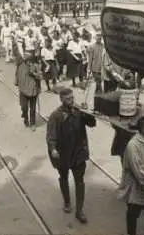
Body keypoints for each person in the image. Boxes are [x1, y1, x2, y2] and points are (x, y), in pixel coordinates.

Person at [46, 88, 96, 224]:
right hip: (63, 154)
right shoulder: (55, 116)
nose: (72, 101)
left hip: (78, 152)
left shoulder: (78, 111)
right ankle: (67, 201)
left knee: (80, 182)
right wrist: (53, 149)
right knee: (63, 177)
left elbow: (92, 123)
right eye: (68, 99)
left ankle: (80, 211)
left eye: (72, 98)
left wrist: (87, 112)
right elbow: (51, 135)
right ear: (61, 99)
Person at [15, 51, 41, 130]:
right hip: (23, 90)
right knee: (24, 107)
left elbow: (40, 76)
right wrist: (16, 81)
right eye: (25, 56)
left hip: (33, 90)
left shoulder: (35, 65)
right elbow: (17, 74)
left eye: (27, 56)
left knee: (33, 108)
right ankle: (26, 118)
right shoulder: (20, 65)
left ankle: (33, 123)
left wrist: (34, 74)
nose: (25, 57)